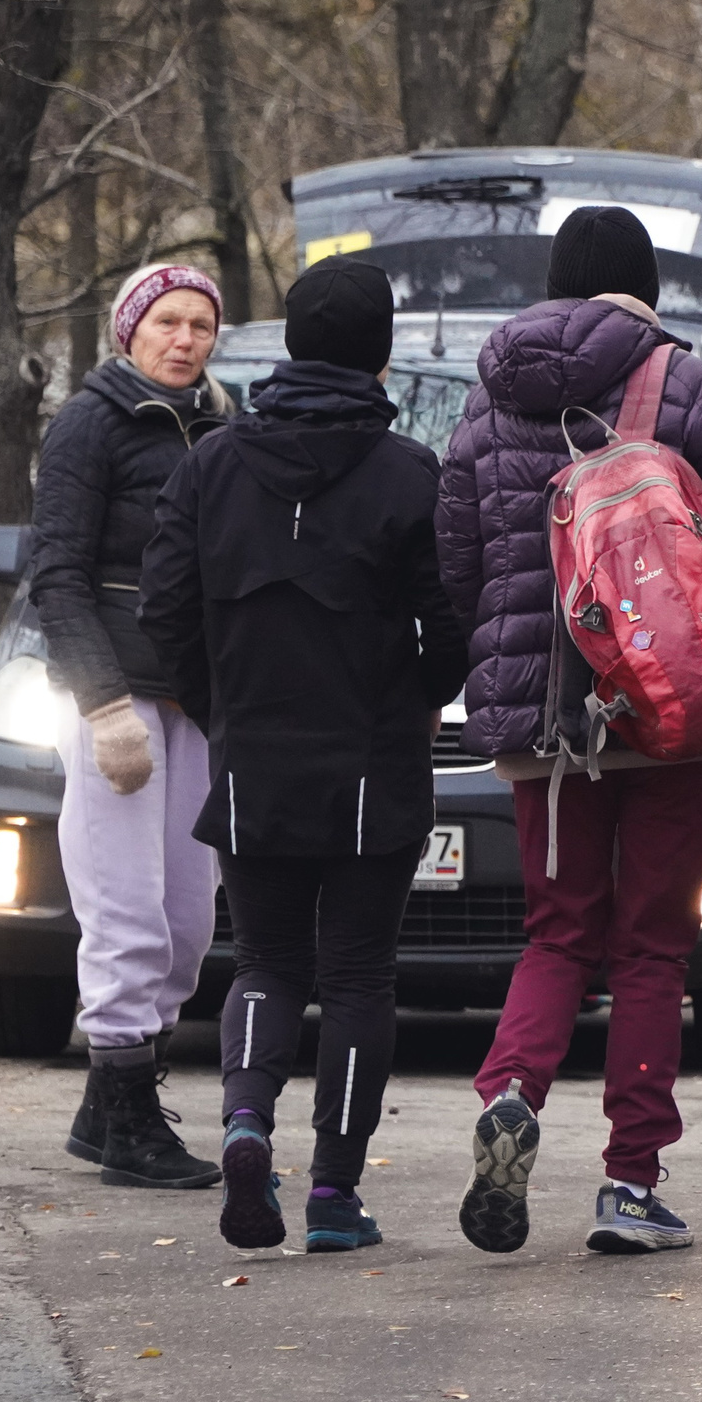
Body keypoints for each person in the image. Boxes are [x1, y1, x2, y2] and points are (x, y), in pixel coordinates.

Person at [435, 206, 702, 1257]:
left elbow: (458, 551)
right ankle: (629, 1184)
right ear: (647, 290)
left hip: (543, 724)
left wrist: (497, 657)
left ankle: (510, 1091)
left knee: (558, 931)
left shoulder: (488, 393)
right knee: (651, 948)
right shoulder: (684, 384)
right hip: (673, 713)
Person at [142, 258, 469, 1254]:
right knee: (361, 976)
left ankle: (244, 1123)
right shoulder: (412, 475)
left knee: (267, 964)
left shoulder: (207, 466)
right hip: (374, 763)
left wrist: (218, 708)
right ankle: (333, 1191)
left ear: (287, 343)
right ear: (381, 355)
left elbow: (164, 614)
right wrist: (420, 700)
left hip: (252, 759)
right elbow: (452, 623)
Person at [32, 263, 232, 1188]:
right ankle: (129, 1122)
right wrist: (104, 705)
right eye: (168, 321)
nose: (185, 338)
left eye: (200, 323)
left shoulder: (228, 425)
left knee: (188, 923)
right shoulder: (89, 423)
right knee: (126, 916)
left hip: (195, 701)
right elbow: (56, 573)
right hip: (116, 701)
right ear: (131, 331)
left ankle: (101, 1105)